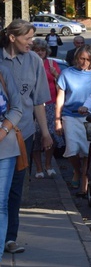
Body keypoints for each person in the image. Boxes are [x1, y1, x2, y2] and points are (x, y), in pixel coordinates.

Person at [0, 20, 53, 254]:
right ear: (12, 38)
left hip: (23, 135)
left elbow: (38, 101)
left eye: (33, 38)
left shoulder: (34, 61)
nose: (32, 43)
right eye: (27, 38)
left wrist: (45, 132)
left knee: (13, 189)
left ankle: (9, 238)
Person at [55, 45, 91, 195]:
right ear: (76, 58)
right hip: (70, 115)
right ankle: (77, 170)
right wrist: (57, 120)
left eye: (88, 59)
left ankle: (84, 182)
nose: (84, 62)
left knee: (88, 153)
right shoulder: (66, 73)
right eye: (82, 58)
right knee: (72, 150)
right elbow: (60, 98)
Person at [0, 66, 23, 265]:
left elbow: (17, 107)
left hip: (4, 148)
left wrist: (4, 130)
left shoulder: (3, 72)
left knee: (0, 204)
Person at [31, 39, 62, 178]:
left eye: (42, 50)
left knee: (51, 135)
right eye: (36, 50)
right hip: (33, 104)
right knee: (35, 137)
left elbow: (62, 82)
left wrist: (56, 75)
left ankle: (48, 164)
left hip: (50, 103)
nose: (39, 52)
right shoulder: (29, 64)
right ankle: (38, 168)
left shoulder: (51, 63)